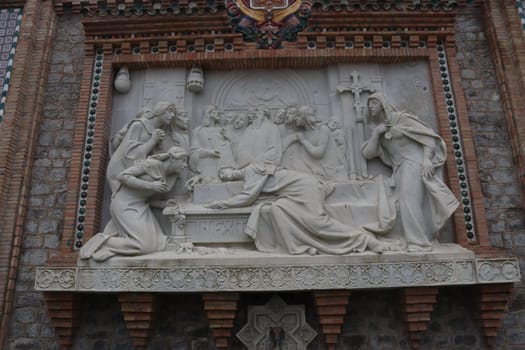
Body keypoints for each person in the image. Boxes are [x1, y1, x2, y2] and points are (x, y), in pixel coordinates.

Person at [206, 164, 401, 255]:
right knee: (277, 209)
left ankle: (365, 239)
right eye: (224, 178)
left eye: (225, 172)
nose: (226, 177)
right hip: (290, 196)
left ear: (233, 167)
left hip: (305, 188)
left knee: (318, 222)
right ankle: (297, 246)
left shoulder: (252, 170)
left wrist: (223, 204)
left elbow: (247, 197)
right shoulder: (253, 174)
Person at [361, 92, 459, 252]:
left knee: (409, 200)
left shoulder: (403, 119)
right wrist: (376, 134)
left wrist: (427, 160)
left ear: (383, 104)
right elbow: (368, 153)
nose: (370, 107)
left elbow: (428, 139)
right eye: (369, 105)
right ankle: (411, 239)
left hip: (414, 162)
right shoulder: (379, 129)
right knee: (399, 205)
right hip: (400, 168)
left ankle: (419, 243)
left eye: (374, 103)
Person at [80, 147, 189, 261]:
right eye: (183, 160)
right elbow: (123, 176)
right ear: (172, 158)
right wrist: (151, 185)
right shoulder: (151, 164)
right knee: (142, 245)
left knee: (157, 244)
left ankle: (113, 243)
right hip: (125, 205)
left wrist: (163, 203)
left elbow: (145, 197)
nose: (185, 165)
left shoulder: (172, 177)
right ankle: (103, 242)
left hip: (142, 206)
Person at [107, 101, 176, 193]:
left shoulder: (157, 131)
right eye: (170, 111)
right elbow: (130, 153)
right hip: (121, 169)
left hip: (134, 171)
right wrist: (153, 140)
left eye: (173, 112)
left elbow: (154, 158)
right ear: (160, 110)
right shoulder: (138, 125)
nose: (172, 115)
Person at [188, 105, 235, 182]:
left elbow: (232, 150)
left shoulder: (223, 131)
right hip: (209, 167)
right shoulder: (199, 131)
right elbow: (193, 152)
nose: (218, 113)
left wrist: (229, 140)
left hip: (227, 168)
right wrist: (209, 152)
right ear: (209, 113)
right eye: (215, 110)